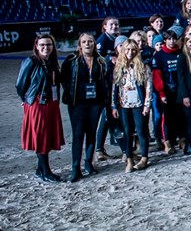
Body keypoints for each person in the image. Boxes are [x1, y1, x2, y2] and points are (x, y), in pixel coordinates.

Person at [60, 33, 108, 182]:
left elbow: (104, 81)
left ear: (94, 44)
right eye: (84, 42)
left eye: (90, 41)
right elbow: (64, 79)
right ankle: (76, 167)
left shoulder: (100, 60)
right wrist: (72, 93)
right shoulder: (71, 60)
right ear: (79, 45)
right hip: (77, 104)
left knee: (91, 133)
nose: (87, 44)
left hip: (95, 103)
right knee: (78, 134)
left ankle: (88, 163)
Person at [17, 34, 64, 182]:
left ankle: (40, 170)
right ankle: (46, 172)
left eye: (49, 45)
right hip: (38, 104)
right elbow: (20, 84)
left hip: (51, 103)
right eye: (42, 45)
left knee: (47, 136)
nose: (46, 47)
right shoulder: (31, 61)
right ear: (36, 46)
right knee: (41, 137)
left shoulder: (52, 62)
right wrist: (26, 99)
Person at [111, 40, 153, 172]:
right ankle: (129, 159)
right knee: (127, 132)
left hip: (139, 104)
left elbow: (148, 87)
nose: (130, 52)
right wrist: (113, 106)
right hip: (124, 104)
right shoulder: (119, 67)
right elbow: (114, 87)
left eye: (133, 49)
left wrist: (147, 104)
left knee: (141, 131)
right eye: (128, 49)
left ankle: (144, 158)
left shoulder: (143, 67)